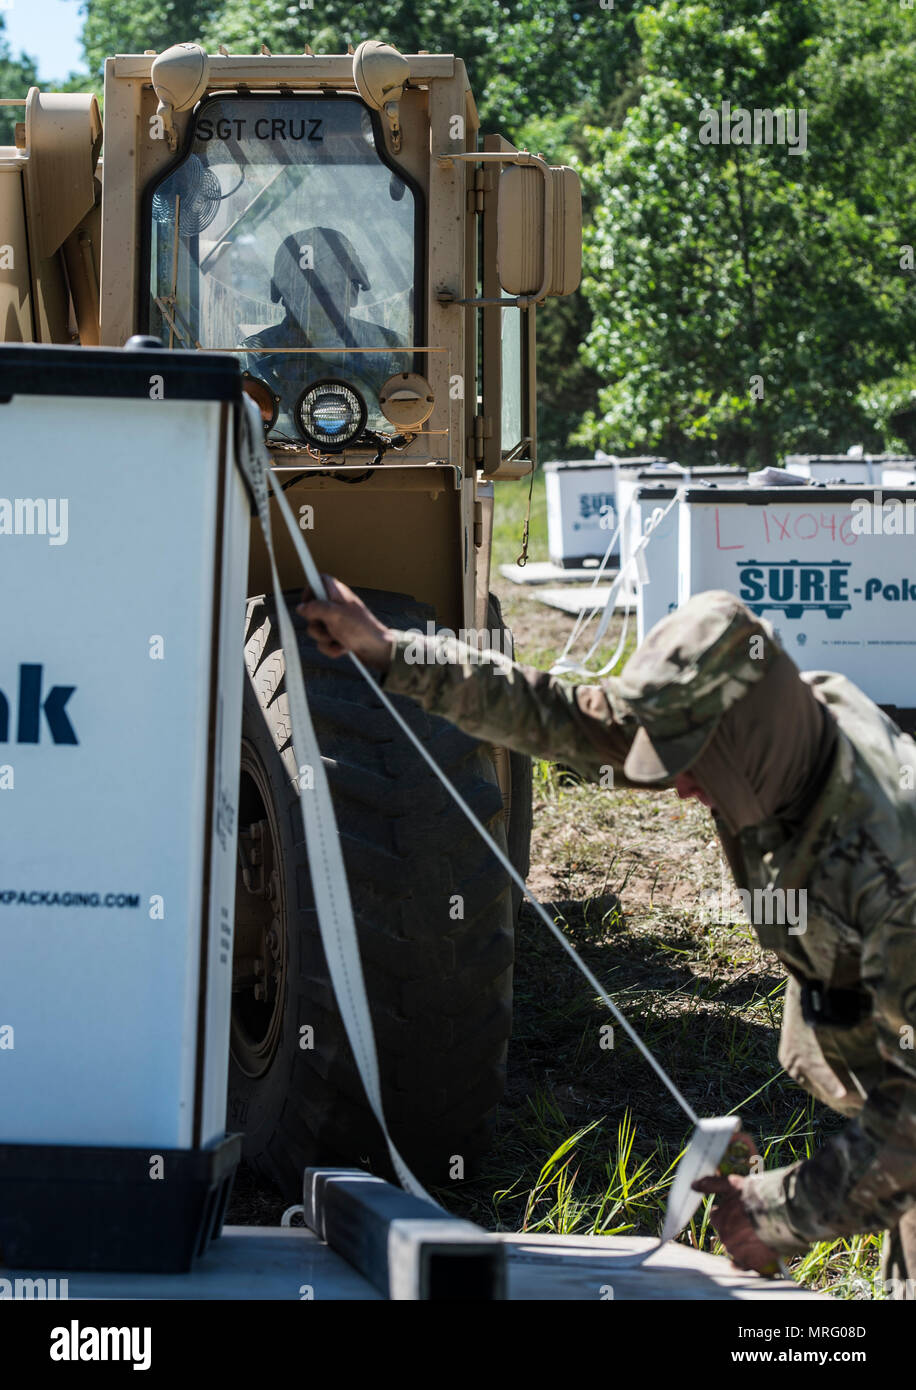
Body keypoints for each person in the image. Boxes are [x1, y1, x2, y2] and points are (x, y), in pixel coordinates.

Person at [298, 578, 916, 1291]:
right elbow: (558, 715)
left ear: (747, 738)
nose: (677, 790)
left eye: (691, 765)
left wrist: (770, 1212)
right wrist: (392, 653)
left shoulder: (890, 876)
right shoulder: (769, 740)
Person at [242, 225, 407, 427]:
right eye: (301, 291)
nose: (314, 303)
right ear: (282, 297)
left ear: (353, 293)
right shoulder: (253, 356)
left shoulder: (390, 350)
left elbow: (408, 426)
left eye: (327, 291)